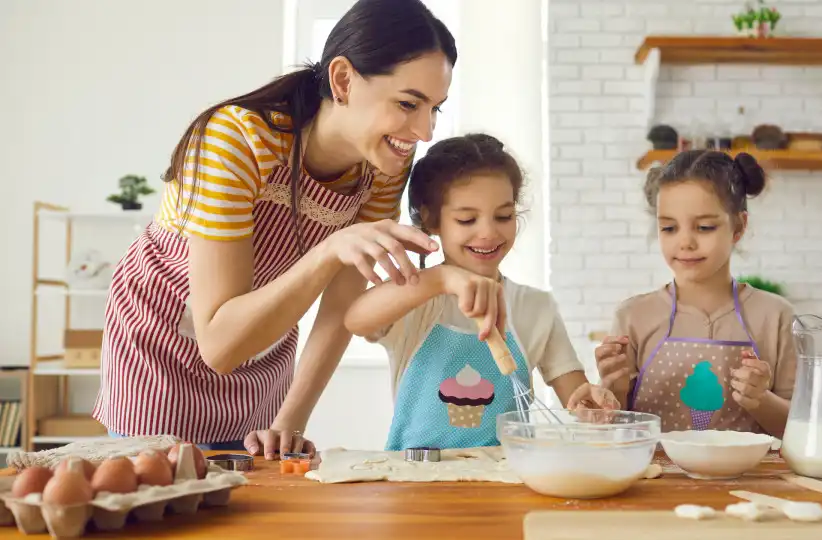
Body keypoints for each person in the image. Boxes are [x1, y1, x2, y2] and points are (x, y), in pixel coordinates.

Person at [93, 0, 455, 458]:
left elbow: (340, 306)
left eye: (435, 109)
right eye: (408, 104)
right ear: (343, 81)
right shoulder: (237, 140)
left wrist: (290, 421)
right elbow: (220, 345)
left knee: (245, 499)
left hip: (263, 338)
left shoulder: (382, 167)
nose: (424, 131)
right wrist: (328, 252)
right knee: (165, 500)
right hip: (161, 343)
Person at [344, 134, 621, 451]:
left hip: (504, 482)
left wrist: (593, 402)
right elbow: (356, 320)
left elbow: (577, 397)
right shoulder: (415, 298)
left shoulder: (535, 307)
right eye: (467, 219)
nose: (488, 233)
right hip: (416, 481)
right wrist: (441, 279)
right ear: (432, 219)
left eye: (503, 216)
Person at [595, 150, 797, 438]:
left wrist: (760, 399)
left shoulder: (775, 316)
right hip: (656, 480)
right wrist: (612, 388)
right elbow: (616, 432)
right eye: (669, 228)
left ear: (738, 226)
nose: (685, 242)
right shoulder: (633, 317)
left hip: (749, 482)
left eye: (704, 227)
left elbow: (799, 430)